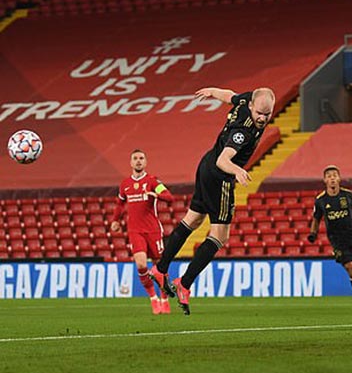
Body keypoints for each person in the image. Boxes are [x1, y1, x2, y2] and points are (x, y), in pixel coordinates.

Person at [149, 87, 275, 315]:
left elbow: (229, 96)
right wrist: (236, 170)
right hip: (220, 175)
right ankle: (184, 283)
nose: (262, 119)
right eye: (259, 113)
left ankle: (161, 268)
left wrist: (212, 91)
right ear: (251, 107)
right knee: (220, 236)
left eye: (266, 115)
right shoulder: (243, 131)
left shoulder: (248, 99)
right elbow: (223, 160)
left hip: (205, 167)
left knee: (193, 220)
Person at [110, 149, 174, 314]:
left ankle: (164, 298)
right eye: (135, 158)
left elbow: (169, 197)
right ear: (131, 163)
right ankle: (153, 298)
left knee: (160, 268)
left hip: (153, 230)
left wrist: (156, 194)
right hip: (135, 230)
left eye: (141, 158)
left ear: (145, 162)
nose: (138, 161)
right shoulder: (125, 184)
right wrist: (115, 220)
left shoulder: (153, 181)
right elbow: (119, 204)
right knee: (140, 264)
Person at [307, 165, 352, 306]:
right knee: (351, 270)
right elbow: (316, 218)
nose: (332, 178)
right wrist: (313, 233)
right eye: (329, 176)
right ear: (325, 181)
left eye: (334, 175)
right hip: (338, 242)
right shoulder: (320, 200)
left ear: (339, 179)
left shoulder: (349, 195)